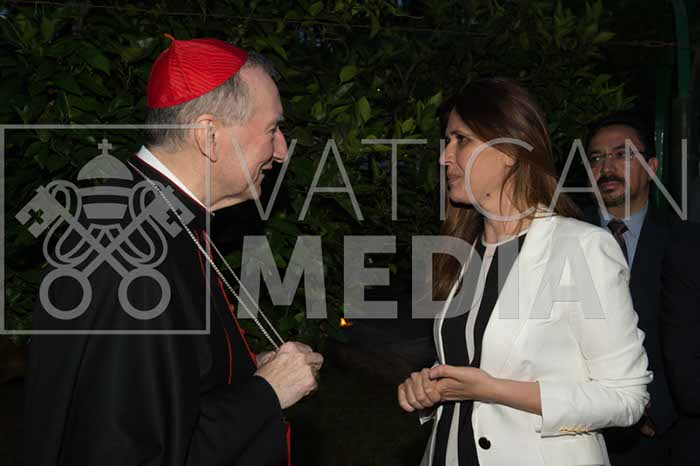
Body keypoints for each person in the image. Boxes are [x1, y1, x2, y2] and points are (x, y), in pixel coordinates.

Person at [24, 37, 323, 466]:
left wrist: (246, 371)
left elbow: (165, 386)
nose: (281, 150)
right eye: (272, 130)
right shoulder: (128, 253)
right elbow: (126, 450)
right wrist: (267, 392)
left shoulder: (160, 215)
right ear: (209, 136)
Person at [397, 78, 652, 466]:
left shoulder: (581, 247)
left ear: (509, 152)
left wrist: (494, 390)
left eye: (460, 140)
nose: (445, 157)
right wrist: (429, 388)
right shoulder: (463, 252)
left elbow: (626, 398)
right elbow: (475, 358)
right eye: (446, 142)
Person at [582, 112, 700, 466]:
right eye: (596, 158)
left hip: (665, 435)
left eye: (622, 155)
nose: (606, 168)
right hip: (580, 430)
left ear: (651, 167)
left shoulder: (686, 241)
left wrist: (655, 411)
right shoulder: (559, 238)